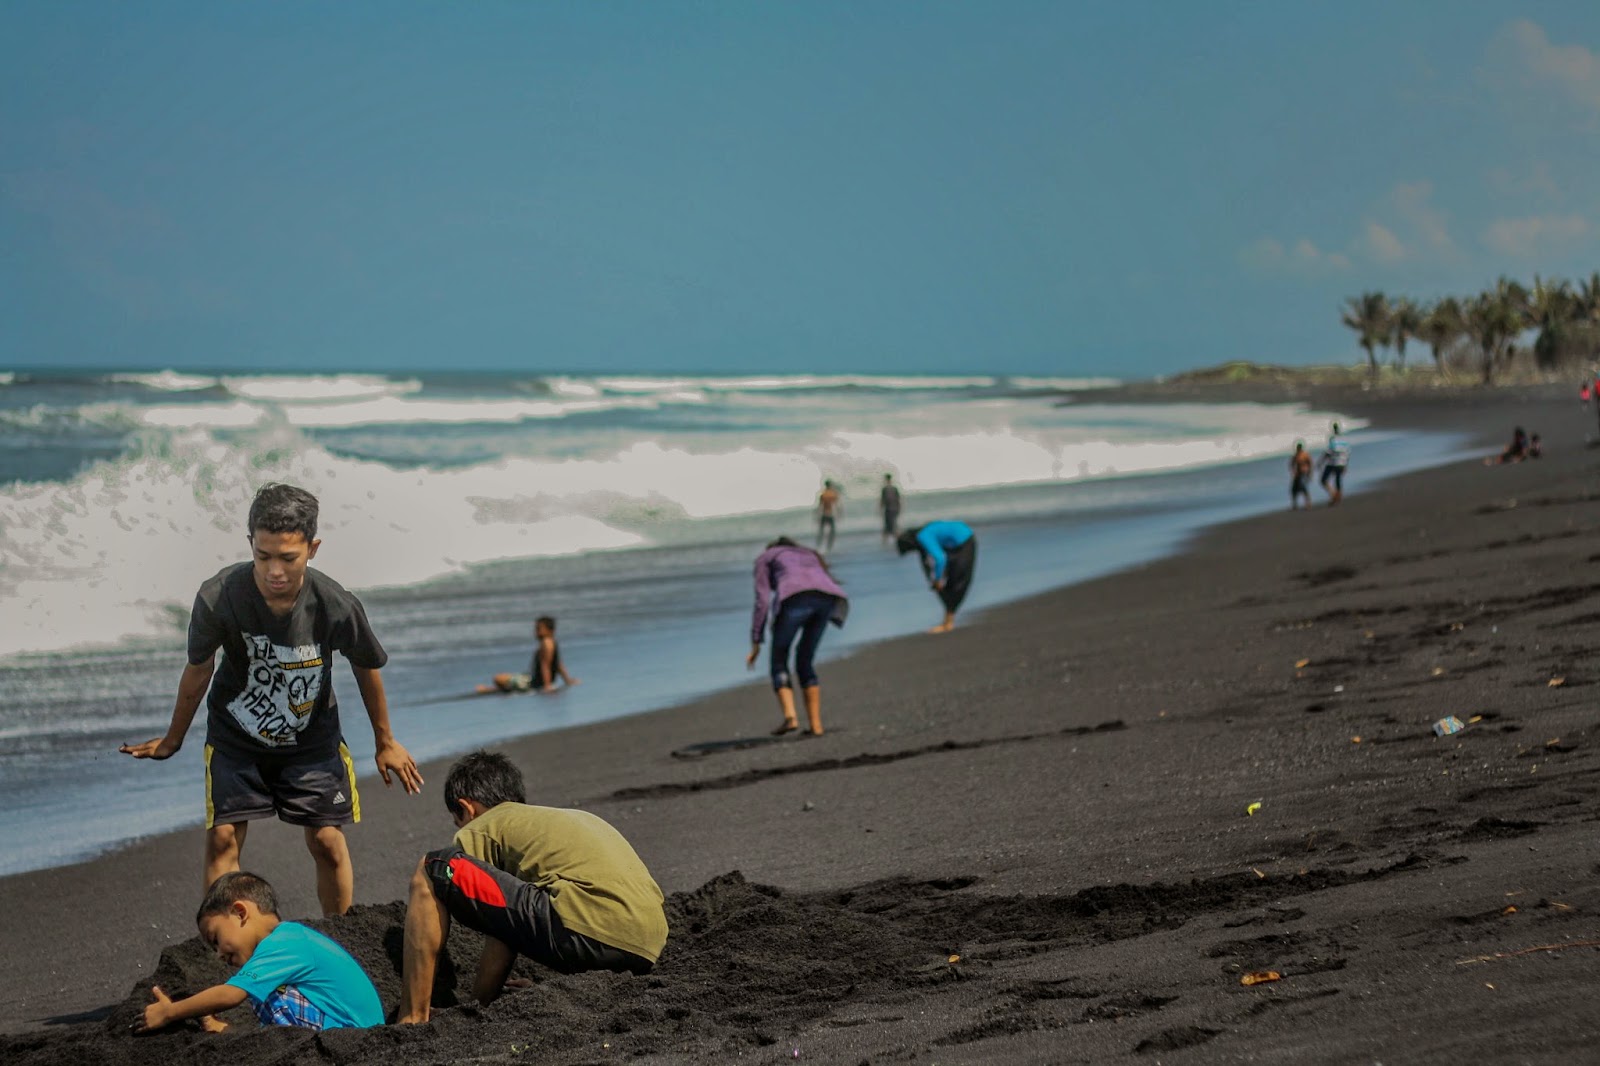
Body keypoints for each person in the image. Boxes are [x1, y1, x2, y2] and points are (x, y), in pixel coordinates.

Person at [121, 483, 423, 917]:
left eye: (288, 557)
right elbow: (199, 668)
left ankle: (339, 936)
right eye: (263, 556)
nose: (274, 570)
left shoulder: (335, 604)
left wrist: (385, 741)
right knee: (223, 836)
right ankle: (223, 943)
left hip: (312, 742)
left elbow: (365, 665)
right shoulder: (218, 596)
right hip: (237, 737)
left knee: (326, 841)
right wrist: (173, 738)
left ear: (312, 548)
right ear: (250, 545)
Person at [397, 752, 668, 1024]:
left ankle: (413, 1017)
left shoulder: (483, 826)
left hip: (591, 931)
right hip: (646, 946)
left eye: (459, 821)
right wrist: (480, 1005)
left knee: (433, 866)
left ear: (467, 808)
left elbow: (496, 920)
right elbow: (507, 918)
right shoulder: (558, 821)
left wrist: (475, 1005)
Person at [135, 871, 383, 1033]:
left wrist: (170, 1012)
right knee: (264, 991)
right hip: (348, 1029)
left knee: (269, 995)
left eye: (216, 939)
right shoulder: (288, 941)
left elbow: (231, 994)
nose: (218, 954)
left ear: (240, 913)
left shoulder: (285, 942)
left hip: (354, 1034)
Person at [747, 536, 849, 736]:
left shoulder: (765, 557)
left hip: (795, 600)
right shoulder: (808, 553)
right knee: (805, 660)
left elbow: (762, 601)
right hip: (826, 600)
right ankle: (816, 726)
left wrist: (756, 640)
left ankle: (790, 717)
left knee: (779, 660)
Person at [896, 520, 977, 634]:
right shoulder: (924, 530)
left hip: (964, 541)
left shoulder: (923, 536)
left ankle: (948, 624)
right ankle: (947, 621)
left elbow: (940, 558)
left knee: (955, 582)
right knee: (950, 582)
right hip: (957, 540)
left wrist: (938, 580)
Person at [489, 616, 580, 694]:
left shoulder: (546, 643)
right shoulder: (552, 642)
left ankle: (493, 690)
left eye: (539, 629)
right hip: (535, 679)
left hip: (534, 683)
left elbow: (545, 665)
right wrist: (568, 680)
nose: (536, 632)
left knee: (498, 678)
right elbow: (558, 664)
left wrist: (547, 686)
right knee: (507, 677)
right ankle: (493, 689)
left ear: (550, 630)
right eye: (536, 629)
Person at [1318, 423, 1351, 506]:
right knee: (1338, 480)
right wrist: (1346, 464)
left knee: (1324, 480)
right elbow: (1347, 453)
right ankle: (1338, 496)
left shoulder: (1332, 439)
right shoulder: (1344, 439)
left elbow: (1328, 452)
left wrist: (1320, 462)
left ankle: (1333, 495)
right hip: (1342, 462)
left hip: (1333, 462)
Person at [815, 480, 841, 553]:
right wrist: (839, 514)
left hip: (824, 514)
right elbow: (837, 506)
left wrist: (817, 516)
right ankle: (829, 547)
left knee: (821, 531)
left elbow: (820, 506)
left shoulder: (823, 494)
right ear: (830, 485)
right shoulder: (833, 494)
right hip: (831, 515)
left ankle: (818, 545)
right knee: (832, 532)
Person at [878, 473, 902, 543]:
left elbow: (882, 500)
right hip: (892, 509)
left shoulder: (887, 489)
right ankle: (890, 541)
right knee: (891, 525)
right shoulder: (892, 488)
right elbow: (899, 500)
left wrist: (880, 509)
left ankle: (887, 541)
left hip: (890, 509)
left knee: (890, 525)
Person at [1289, 442, 1313, 510]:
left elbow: (1310, 464)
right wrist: (1293, 472)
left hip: (1304, 473)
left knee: (1303, 488)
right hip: (1298, 474)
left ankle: (1308, 503)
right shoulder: (1295, 455)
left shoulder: (1305, 455)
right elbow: (1291, 464)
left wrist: (1310, 473)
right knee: (1294, 489)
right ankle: (1294, 505)